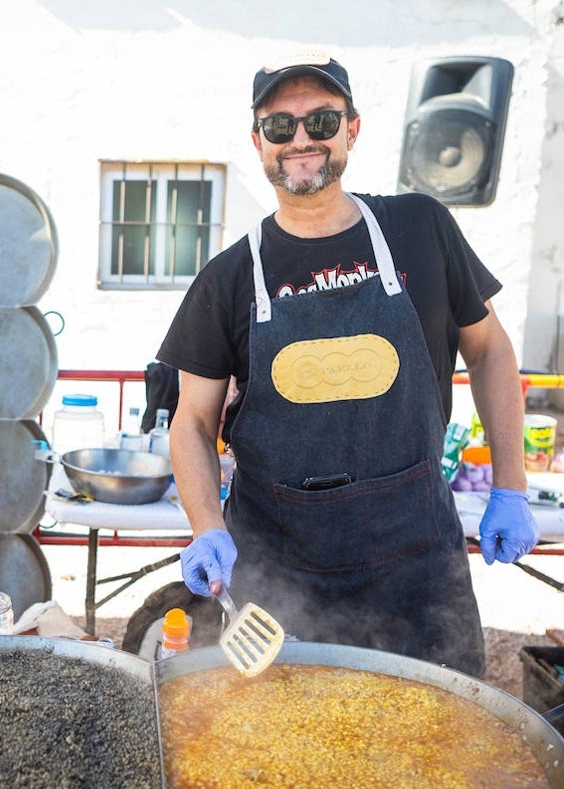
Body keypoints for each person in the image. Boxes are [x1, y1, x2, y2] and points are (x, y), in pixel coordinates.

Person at [158, 49, 537, 678]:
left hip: (416, 563)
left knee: (437, 746)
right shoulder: (226, 279)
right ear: (258, 142)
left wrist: (512, 487)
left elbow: (491, 350)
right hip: (280, 573)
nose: (301, 139)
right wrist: (205, 526)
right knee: (284, 754)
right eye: (281, 126)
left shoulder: (421, 228)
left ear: (352, 130)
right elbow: (193, 422)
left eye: (322, 121)